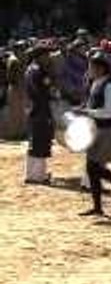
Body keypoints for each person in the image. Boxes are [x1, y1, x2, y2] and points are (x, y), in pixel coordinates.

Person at [78, 50, 111, 216]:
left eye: (91, 66)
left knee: (92, 167)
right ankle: (109, 195)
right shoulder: (97, 82)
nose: (89, 69)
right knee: (93, 168)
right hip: (95, 128)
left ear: (100, 68)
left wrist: (88, 112)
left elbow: (108, 111)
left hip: (105, 129)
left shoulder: (110, 85)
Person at [23, 39, 57, 185]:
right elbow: (42, 94)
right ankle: (39, 176)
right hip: (40, 110)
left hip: (33, 109)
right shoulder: (40, 71)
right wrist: (52, 97)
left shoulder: (30, 68)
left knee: (33, 143)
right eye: (47, 54)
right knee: (41, 143)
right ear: (40, 55)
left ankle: (31, 174)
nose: (49, 57)